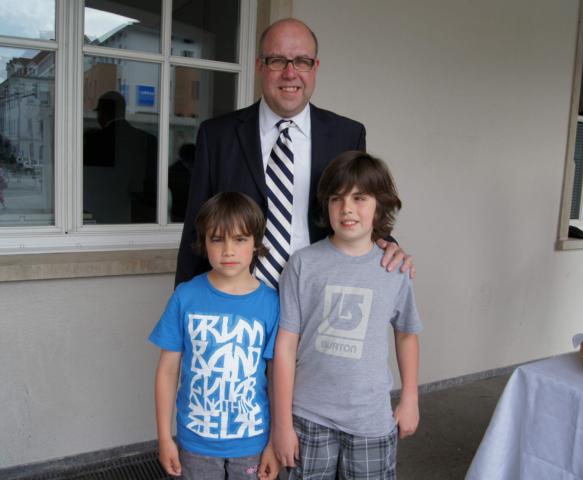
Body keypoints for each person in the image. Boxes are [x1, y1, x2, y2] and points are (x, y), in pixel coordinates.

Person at [175, 18, 413, 287]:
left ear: (315, 67)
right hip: (239, 300)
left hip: (320, 294)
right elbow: (196, 229)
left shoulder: (347, 134)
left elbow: (359, 207)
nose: (290, 73)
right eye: (277, 61)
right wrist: (183, 301)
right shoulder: (217, 135)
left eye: (302, 61)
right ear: (260, 66)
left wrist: (387, 244)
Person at [272, 151, 422, 479]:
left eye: (360, 198)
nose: (347, 208)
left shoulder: (395, 268)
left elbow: (406, 334)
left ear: (380, 205)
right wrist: (281, 425)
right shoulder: (302, 264)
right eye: (336, 198)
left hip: (371, 420)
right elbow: (285, 346)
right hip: (308, 417)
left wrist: (410, 397)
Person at [149, 192, 281, 479]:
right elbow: (167, 372)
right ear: (204, 242)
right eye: (217, 239)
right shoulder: (185, 297)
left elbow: (276, 379)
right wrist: (164, 437)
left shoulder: (271, 304)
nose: (228, 251)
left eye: (240, 239)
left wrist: (274, 441)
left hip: (253, 441)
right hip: (196, 441)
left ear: (256, 243)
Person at [83, 90, 157, 223]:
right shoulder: (148, 140)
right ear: (123, 111)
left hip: (104, 213)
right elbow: (152, 180)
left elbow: (89, 181)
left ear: (103, 112)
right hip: (142, 215)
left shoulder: (95, 140)